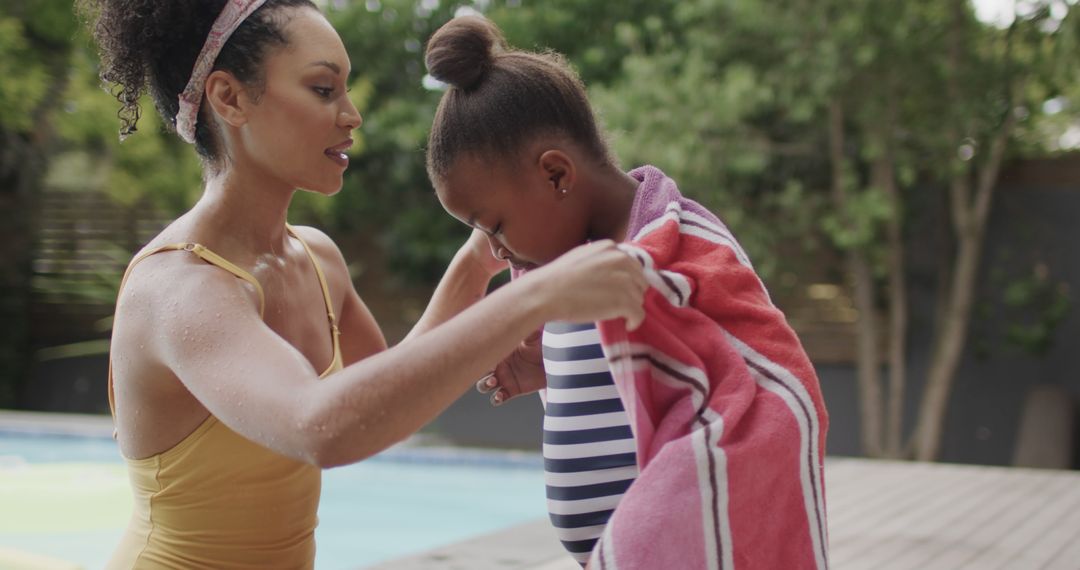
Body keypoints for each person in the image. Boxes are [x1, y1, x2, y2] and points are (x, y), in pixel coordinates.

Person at [78, 1, 648, 567]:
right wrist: (535, 299)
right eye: (324, 90)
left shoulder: (316, 258)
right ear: (229, 98)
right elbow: (322, 428)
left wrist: (478, 264)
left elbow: (385, 405)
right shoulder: (180, 289)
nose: (351, 115)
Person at [424, 15, 830, 570]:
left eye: (493, 226)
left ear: (557, 176)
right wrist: (556, 367)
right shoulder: (563, 269)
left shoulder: (679, 251)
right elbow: (635, 375)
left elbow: (776, 393)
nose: (496, 252)